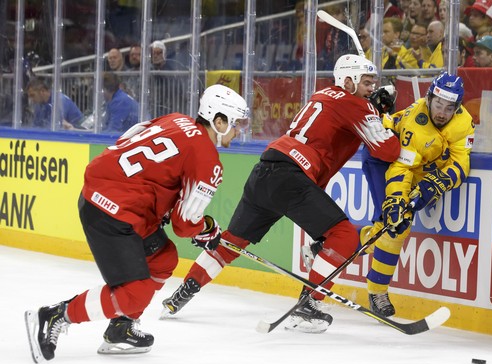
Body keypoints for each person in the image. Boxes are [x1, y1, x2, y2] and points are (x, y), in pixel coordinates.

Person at [160, 54, 401, 334]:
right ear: (348, 81)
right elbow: (389, 150)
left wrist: (370, 105)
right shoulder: (356, 104)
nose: (372, 88)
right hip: (291, 177)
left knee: (231, 242)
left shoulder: (324, 95)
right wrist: (381, 114)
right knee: (345, 237)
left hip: (266, 170)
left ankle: (182, 293)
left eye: (374, 83)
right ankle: (309, 306)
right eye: (367, 82)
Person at [24, 84, 249, 363]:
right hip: (113, 212)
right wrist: (207, 229)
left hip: (111, 198)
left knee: (164, 258)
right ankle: (55, 315)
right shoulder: (208, 160)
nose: (239, 131)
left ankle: (121, 327)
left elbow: (131, 137)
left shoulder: (176, 120)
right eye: (236, 123)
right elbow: (184, 224)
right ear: (218, 120)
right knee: (132, 294)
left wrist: (158, 204)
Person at [306, 73, 475, 318]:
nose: (442, 112)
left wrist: (435, 184)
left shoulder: (464, 123)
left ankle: (326, 247)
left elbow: (461, 164)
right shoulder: (415, 124)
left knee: (389, 227)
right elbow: (400, 168)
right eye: (438, 104)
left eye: (449, 107)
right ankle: (377, 292)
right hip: (382, 159)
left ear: (457, 108)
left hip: (414, 167)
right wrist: (396, 200)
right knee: (394, 225)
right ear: (429, 98)